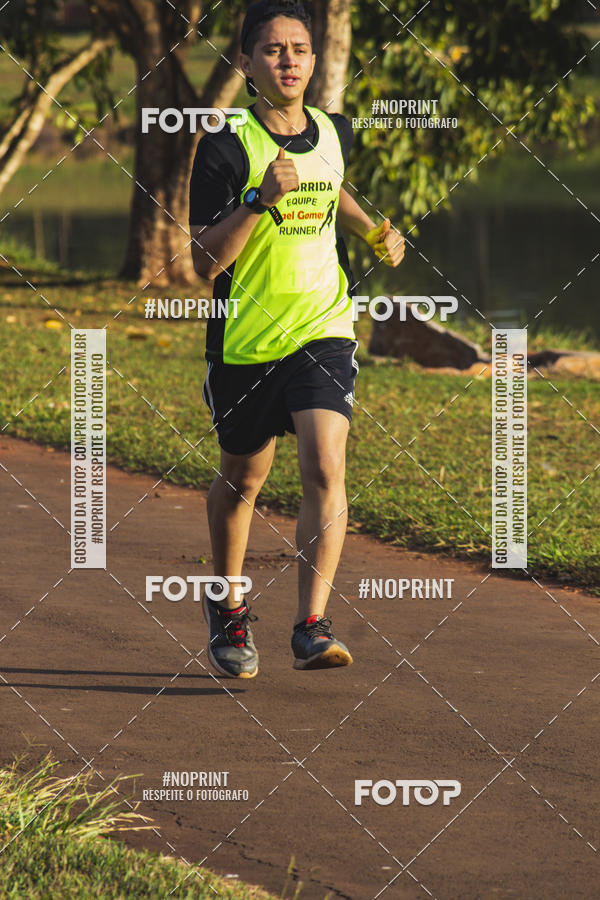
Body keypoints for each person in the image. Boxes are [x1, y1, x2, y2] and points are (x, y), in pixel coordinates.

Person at [189, 0, 404, 678]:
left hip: (324, 327)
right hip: (247, 343)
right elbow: (204, 263)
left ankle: (311, 624)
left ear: (313, 61)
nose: (288, 60)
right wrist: (257, 200)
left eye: (300, 49)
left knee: (324, 465)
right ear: (246, 63)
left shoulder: (334, 129)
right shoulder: (225, 148)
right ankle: (227, 607)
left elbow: (331, 188)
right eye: (274, 49)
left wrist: (374, 230)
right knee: (243, 478)